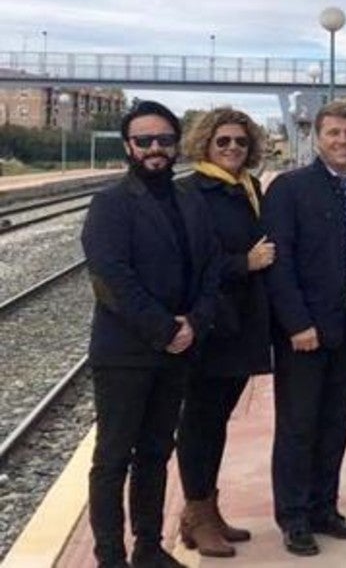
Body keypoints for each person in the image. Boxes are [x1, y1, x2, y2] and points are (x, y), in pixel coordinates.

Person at [81, 100, 221, 568]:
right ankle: (110, 556)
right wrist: (164, 329)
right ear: (129, 147)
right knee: (113, 457)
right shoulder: (111, 204)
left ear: (176, 144)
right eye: (144, 141)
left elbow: (211, 268)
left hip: (177, 349)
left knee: (157, 452)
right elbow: (111, 279)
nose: (155, 149)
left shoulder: (190, 199)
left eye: (163, 140)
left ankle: (147, 547)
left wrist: (195, 322)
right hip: (125, 352)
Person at [263, 101, 346, 557]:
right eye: (334, 133)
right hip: (304, 331)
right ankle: (294, 515)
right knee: (299, 425)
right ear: (318, 137)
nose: (343, 141)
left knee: (336, 423)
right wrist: (297, 323)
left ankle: (325, 508)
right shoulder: (289, 188)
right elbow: (278, 264)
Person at [173, 107, 275, 558]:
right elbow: (188, 259)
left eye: (240, 141)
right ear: (205, 146)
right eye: (223, 142)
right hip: (212, 326)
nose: (233, 148)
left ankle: (209, 510)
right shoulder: (193, 192)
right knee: (200, 422)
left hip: (241, 323)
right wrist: (242, 264)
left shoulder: (245, 187)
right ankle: (196, 515)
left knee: (217, 422)